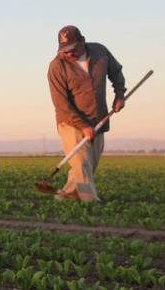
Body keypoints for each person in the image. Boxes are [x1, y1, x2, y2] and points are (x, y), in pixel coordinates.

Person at [47, 25, 126, 202]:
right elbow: (61, 104)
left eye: (72, 49)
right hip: (70, 122)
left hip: (98, 118)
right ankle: (91, 203)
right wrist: (83, 126)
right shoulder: (56, 67)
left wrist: (120, 95)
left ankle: (66, 196)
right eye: (64, 50)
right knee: (81, 163)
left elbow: (116, 72)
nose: (69, 54)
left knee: (88, 165)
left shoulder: (100, 51)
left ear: (82, 41)